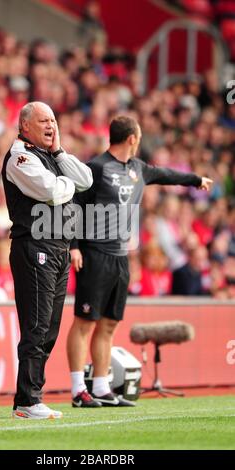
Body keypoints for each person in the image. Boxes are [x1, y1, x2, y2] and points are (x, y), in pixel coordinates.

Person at [67, 115, 213, 407]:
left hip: (121, 256)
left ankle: (101, 387)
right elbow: (75, 207)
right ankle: (77, 390)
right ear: (132, 138)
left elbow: (167, 175)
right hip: (94, 253)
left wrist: (195, 180)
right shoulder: (95, 167)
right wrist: (74, 247)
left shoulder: (138, 169)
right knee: (84, 322)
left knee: (108, 325)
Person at [1, 101, 93, 419]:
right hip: (35, 246)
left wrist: (60, 153)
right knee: (37, 326)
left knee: (49, 328)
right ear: (25, 125)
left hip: (58, 248)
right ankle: (28, 400)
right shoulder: (20, 156)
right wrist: (66, 185)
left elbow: (87, 180)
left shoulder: (48, 156)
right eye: (43, 120)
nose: (51, 125)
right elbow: (52, 191)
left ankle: (29, 398)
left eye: (53, 119)